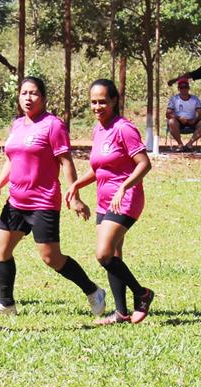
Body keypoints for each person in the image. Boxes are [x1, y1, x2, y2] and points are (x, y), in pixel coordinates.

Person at [0, 76, 106, 319]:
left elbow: (66, 162)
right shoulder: (17, 124)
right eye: (24, 93)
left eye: (33, 93)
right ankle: (6, 304)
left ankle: (94, 291)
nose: (28, 98)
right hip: (16, 201)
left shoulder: (53, 125)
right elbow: (11, 158)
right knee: (1, 249)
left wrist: (75, 195)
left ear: (44, 98)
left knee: (51, 258)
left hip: (43, 202)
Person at [67, 79, 154, 324]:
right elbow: (100, 169)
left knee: (103, 254)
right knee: (114, 254)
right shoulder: (98, 129)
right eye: (93, 102)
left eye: (102, 101)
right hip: (104, 200)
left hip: (125, 198)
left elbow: (144, 164)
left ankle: (142, 293)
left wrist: (124, 186)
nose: (97, 106)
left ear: (114, 100)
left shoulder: (124, 128)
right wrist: (76, 185)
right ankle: (121, 313)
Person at [166, 77, 201, 151]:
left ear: (188, 88)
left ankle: (189, 144)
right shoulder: (174, 99)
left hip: (193, 121)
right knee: (171, 121)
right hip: (179, 122)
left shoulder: (195, 99)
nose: (184, 89)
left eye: (185, 87)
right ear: (178, 89)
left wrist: (194, 119)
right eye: (181, 87)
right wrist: (179, 118)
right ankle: (180, 144)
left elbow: (199, 112)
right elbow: (168, 113)